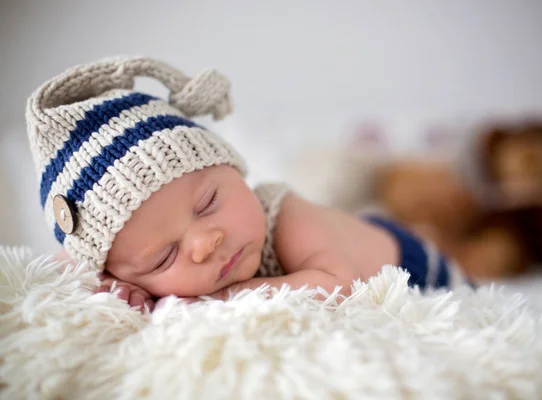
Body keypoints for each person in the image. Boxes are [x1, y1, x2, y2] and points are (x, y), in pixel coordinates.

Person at [29, 57, 472, 312]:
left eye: (206, 203)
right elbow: (70, 266)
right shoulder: (130, 259)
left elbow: (336, 285)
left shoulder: (285, 215)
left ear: (234, 171)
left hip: (419, 272)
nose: (204, 244)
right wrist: (116, 286)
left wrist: (217, 298)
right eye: (163, 257)